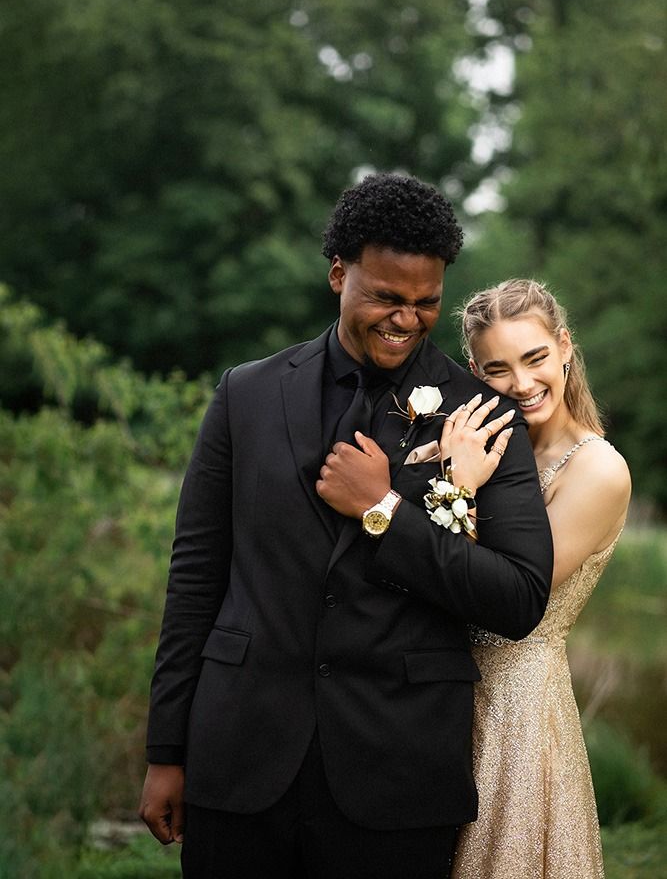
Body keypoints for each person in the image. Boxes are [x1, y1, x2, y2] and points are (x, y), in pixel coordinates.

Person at [138, 174, 554, 879]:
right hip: (240, 759)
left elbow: (517, 598)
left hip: (396, 774)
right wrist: (165, 751)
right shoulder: (246, 394)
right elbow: (196, 579)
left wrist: (380, 511)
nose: (405, 319)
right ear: (338, 274)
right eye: (386, 298)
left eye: (425, 303)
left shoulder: (483, 415)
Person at [449, 278, 631, 879]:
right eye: (497, 369)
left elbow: (514, 591)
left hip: (519, 706)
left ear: (565, 347)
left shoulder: (597, 469)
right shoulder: (488, 445)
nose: (522, 385)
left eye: (535, 358)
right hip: (448, 694)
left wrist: (459, 489)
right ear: (474, 371)